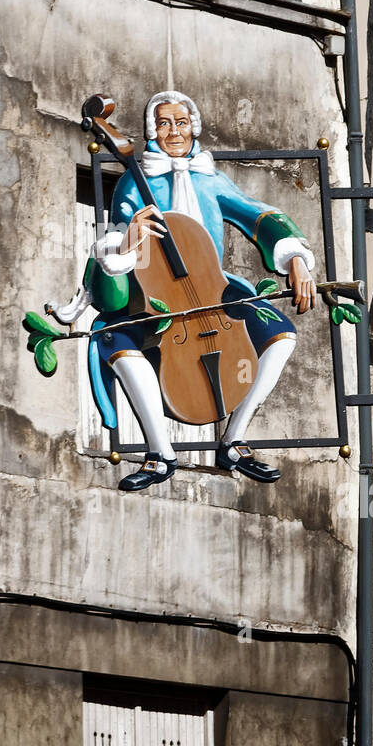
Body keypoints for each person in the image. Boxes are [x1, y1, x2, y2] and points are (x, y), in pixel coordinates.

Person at [49, 91, 317, 490]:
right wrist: (130, 241)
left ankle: (233, 439)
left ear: (194, 126)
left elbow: (257, 214)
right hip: (152, 294)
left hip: (214, 289)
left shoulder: (211, 180)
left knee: (280, 335)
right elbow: (113, 248)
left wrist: (294, 257)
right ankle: (160, 454)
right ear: (151, 132)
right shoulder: (133, 184)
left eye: (180, 122)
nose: (173, 131)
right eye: (163, 124)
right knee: (114, 341)